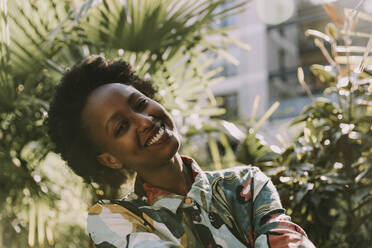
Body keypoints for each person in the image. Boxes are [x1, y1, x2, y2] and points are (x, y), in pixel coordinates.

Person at [47, 55, 315, 248]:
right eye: (121, 126)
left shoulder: (246, 184)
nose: (144, 121)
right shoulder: (110, 221)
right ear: (109, 159)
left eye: (140, 103)